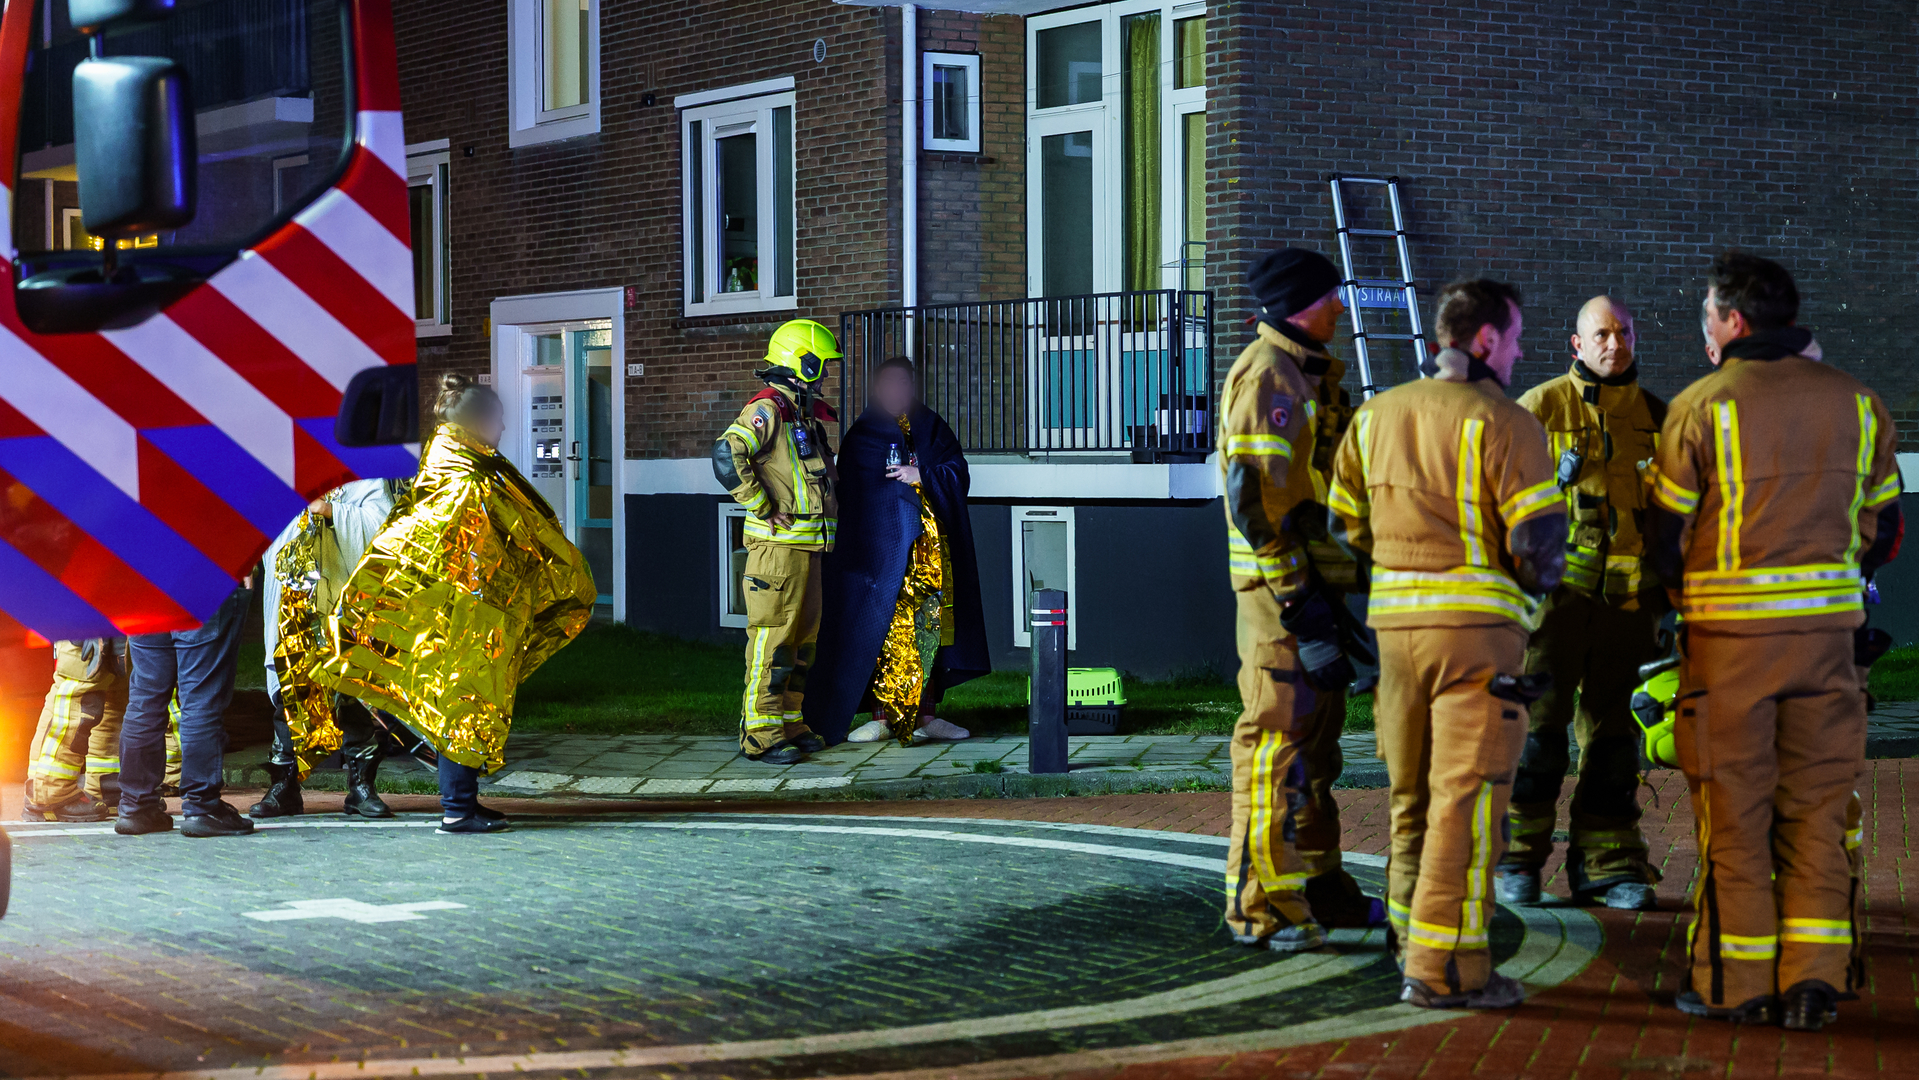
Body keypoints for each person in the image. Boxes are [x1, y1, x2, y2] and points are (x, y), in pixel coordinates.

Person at [1645, 253, 1902, 1031]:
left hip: (1730, 651)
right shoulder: (1858, 404)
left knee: (1733, 814)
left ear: (1731, 321)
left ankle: (1735, 982)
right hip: (1827, 646)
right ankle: (1816, 978)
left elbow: (1663, 536)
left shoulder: (1701, 404)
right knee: (1818, 811)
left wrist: (1683, 602)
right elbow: (1884, 527)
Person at [1327, 278, 1565, 1009]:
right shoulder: (1506, 422)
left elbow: (1344, 531)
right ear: (1485, 339)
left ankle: (1407, 942)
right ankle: (1445, 971)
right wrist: (1528, 593)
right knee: (1466, 806)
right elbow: (1537, 545)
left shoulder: (1373, 416)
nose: (1521, 351)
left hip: (1397, 638)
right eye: (1517, 337)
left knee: (1410, 800)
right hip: (1477, 645)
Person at [315, 374, 598, 834]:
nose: (503, 427)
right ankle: (457, 809)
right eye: (498, 418)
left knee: (466, 703)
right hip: (463, 616)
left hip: (461, 613)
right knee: (460, 705)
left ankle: (464, 800)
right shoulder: (468, 479)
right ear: (477, 421)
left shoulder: (451, 468)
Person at [1218, 248, 1384, 954]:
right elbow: (1256, 501)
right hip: (1280, 605)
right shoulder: (1269, 377)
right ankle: (1260, 907)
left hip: (1313, 598)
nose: (1341, 307)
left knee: (1314, 755)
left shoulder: (1305, 373)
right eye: (1330, 297)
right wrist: (1300, 605)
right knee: (1273, 752)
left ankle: (1317, 887)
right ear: (1296, 306)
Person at [1498, 296, 1667, 910]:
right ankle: (1516, 860)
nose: (1613, 344)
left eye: (1623, 332)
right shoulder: (1537, 410)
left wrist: (1668, 597)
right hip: (1553, 608)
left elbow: (1679, 517)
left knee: (1616, 739)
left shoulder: (1657, 417)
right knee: (1537, 735)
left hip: (1629, 608)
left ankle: (1609, 864)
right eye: (1601, 334)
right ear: (1576, 344)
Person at [804, 356, 990, 746]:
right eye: (888, 384)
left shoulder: (933, 427)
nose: (896, 392)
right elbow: (853, 495)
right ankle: (882, 717)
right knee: (880, 633)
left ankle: (926, 716)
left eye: (903, 384)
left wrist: (922, 475)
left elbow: (958, 471)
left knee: (928, 632)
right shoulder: (862, 435)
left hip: (931, 557)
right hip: (880, 559)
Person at [714, 319, 843, 765]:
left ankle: (789, 722)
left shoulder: (798, 413)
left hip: (806, 548)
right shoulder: (768, 409)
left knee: (802, 642)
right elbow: (726, 454)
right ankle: (759, 734)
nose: (825, 376)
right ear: (801, 364)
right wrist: (762, 505)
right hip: (778, 550)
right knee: (772, 641)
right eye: (821, 367)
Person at [251, 480, 406, 820]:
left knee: (353, 693)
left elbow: (383, 528)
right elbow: (263, 526)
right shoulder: (290, 472)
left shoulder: (364, 474)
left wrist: (331, 510)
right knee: (291, 694)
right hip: (296, 604)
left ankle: (362, 787)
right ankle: (284, 786)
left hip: (346, 604)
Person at [116, 582, 256, 838]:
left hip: (144, 587)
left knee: (144, 700)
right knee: (200, 699)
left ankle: (136, 806)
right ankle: (202, 807)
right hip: (203, 579)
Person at [22, 638, 128, 822]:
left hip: (115, 620)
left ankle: (107, 786)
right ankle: (49, 793)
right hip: (89, 621)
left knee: (114, 698)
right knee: (78, 694)